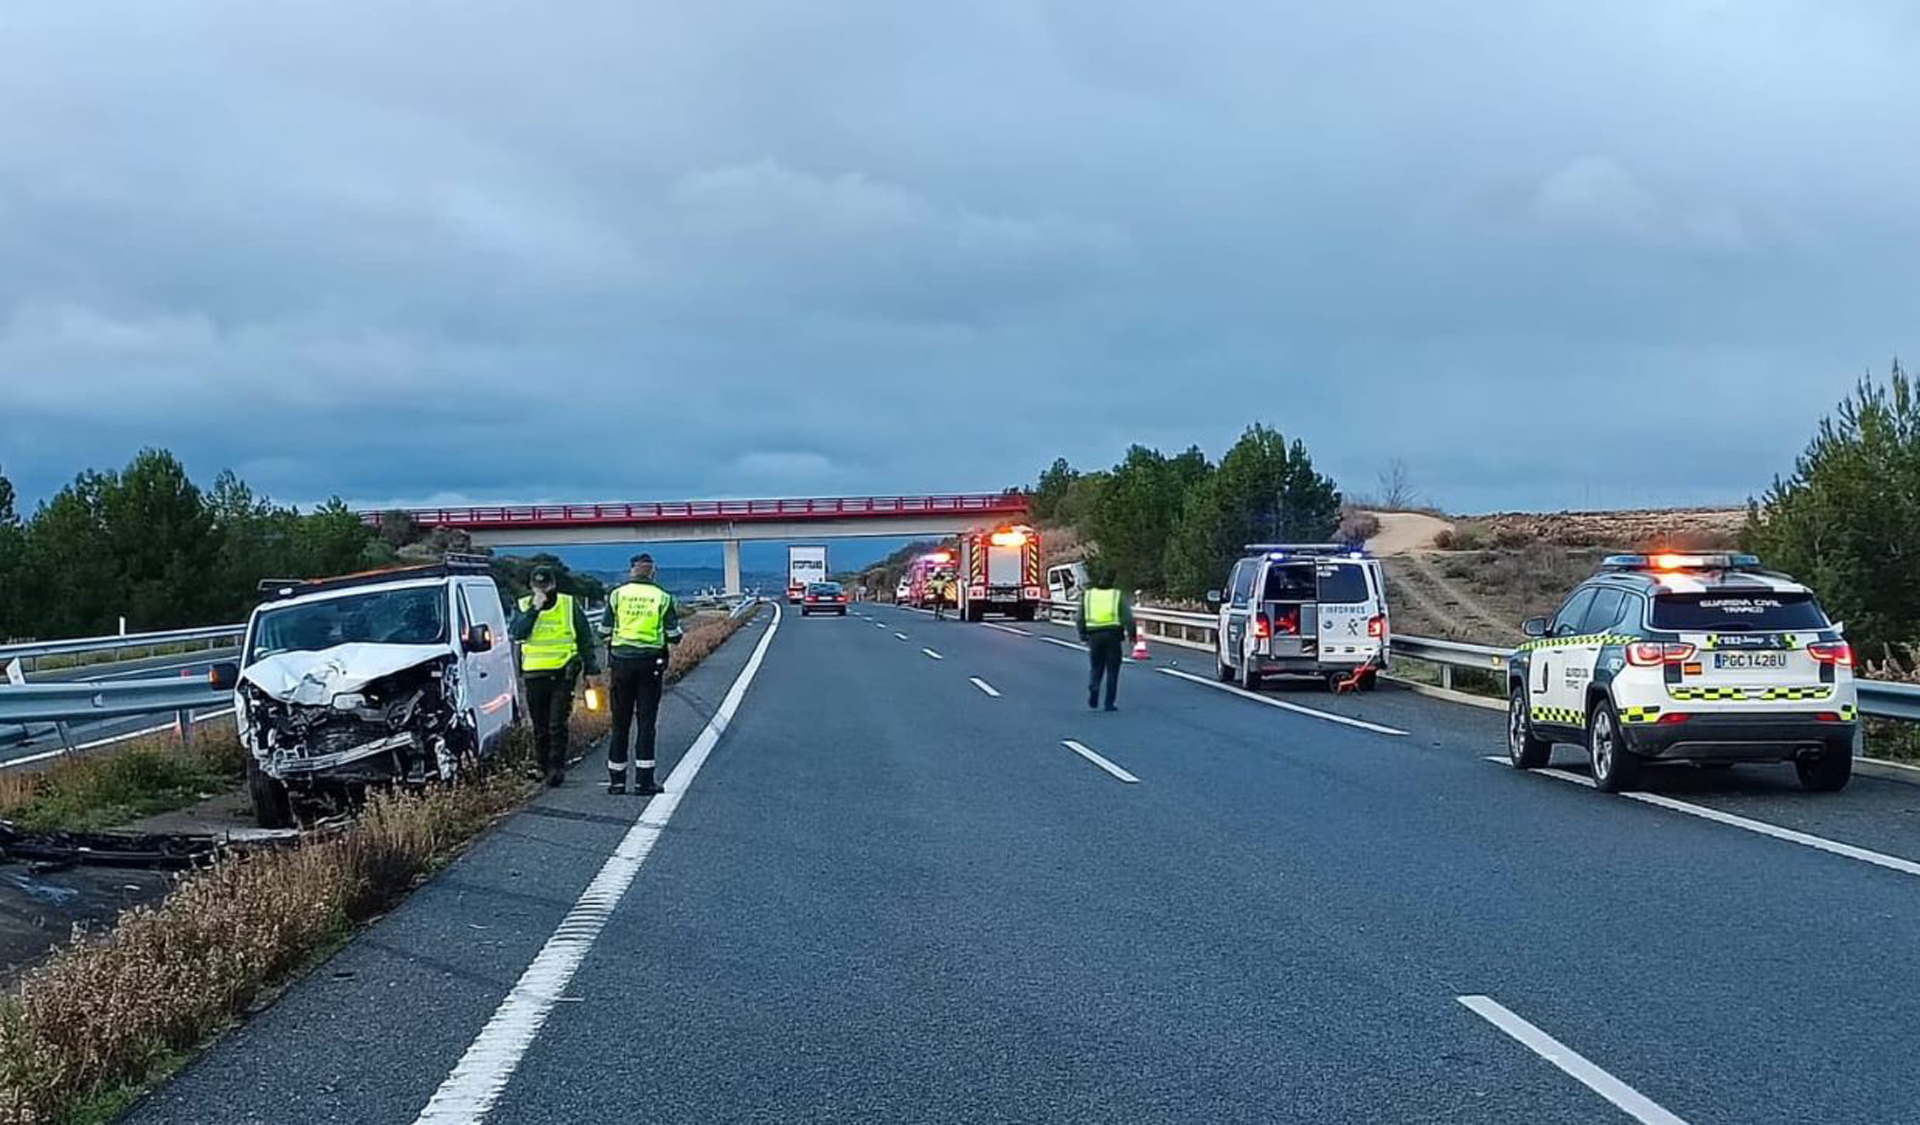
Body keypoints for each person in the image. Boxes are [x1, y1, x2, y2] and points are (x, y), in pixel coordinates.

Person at [510, 566, 600, 787]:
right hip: (534, 674)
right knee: (539, 725)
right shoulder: (523, 605)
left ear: (553, 584)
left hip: (562, 673)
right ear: (532, 586)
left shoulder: (569, 605)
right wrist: (534, 609)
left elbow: (585, 640)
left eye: (546, 585)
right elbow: (518, 632)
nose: (542, 590)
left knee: (556, 723)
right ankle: (542, 766)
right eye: (538, 586)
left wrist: (591, 670)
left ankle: (556, 768)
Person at [605, 552, 683, 795]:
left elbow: (603, 630)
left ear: (631, 570)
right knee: (646, 722)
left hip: (621, 663)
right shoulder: (663, 597)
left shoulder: (617, 595)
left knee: (620, 723)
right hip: (651, 664)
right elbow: (674, 634)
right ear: (653, 571)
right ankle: (644, 781)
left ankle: (617, 782)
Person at [1076, 565, 1134, 711]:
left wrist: (1082, 634)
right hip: (1113, 636)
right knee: (1113, 670)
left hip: (1094, 636)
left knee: (1096, 666)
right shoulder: (1116, 595)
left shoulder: (1089, 595)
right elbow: (1127, 617)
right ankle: (1109, 703)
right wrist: (1132, 634)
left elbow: (1080, 617)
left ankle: (1094, 685)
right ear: (1113, 582)